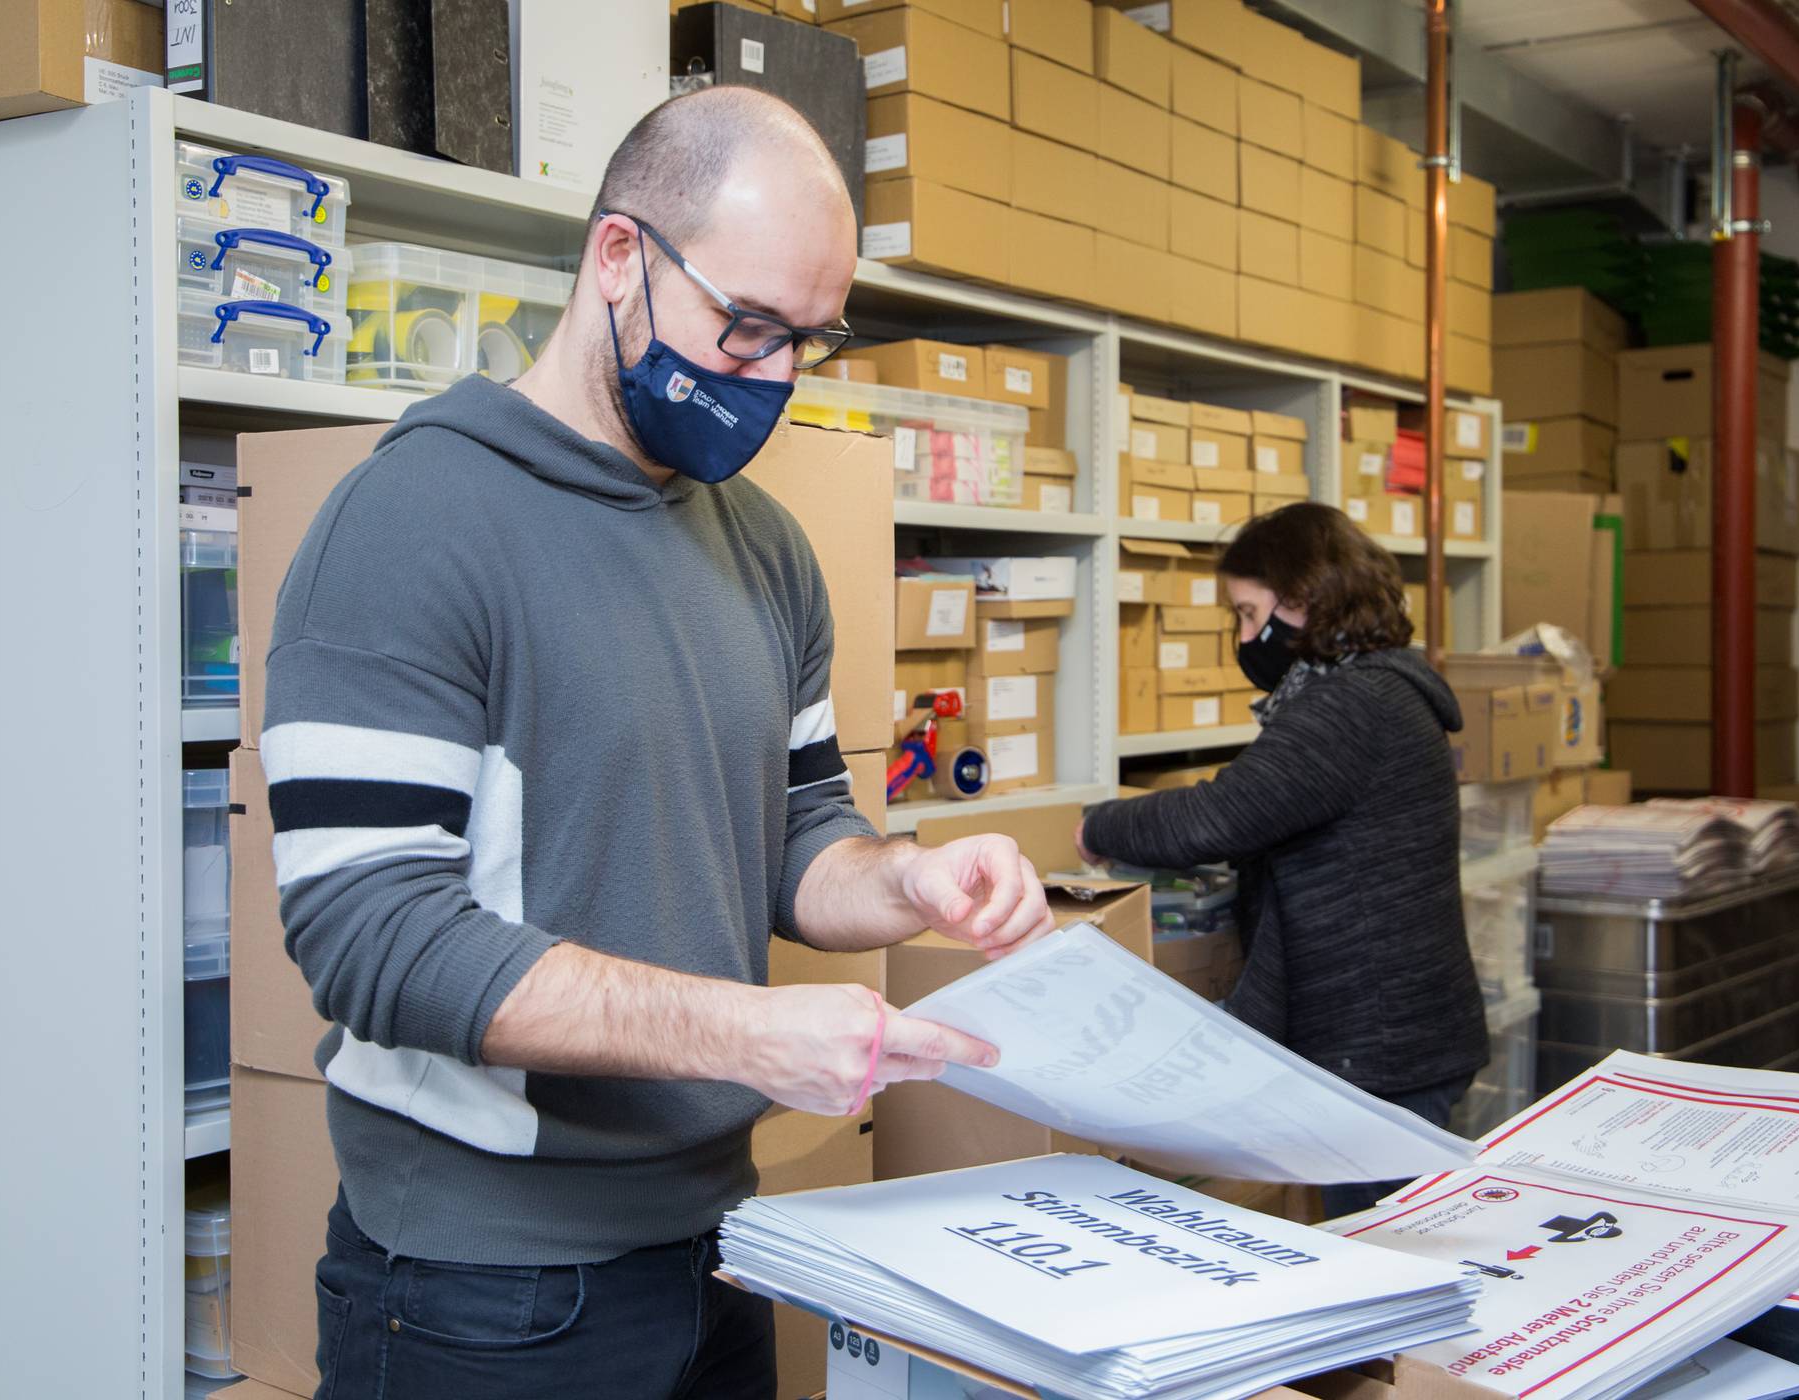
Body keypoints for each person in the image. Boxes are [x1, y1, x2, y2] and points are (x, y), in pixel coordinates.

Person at [264, 88, 1056, 1398]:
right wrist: (745, 1035)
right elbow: (368, 937)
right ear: (619, 257)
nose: (772, 379)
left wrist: (902, 879)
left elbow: (798, 834)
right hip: (486, 1297)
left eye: (807, 340)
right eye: (746, 326)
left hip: (717, 1256)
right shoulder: (414, 524)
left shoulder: (763, 549)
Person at [1075, 501, 1488, 1220]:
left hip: (1383, 1049)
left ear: (1300, 600)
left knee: (1385, 1264)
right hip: (1399, 1037)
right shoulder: (1380, 687)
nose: (1242, 637)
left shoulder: (1354, 705)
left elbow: (1222, 815)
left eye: (1246, 612)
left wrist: (1096, 828)